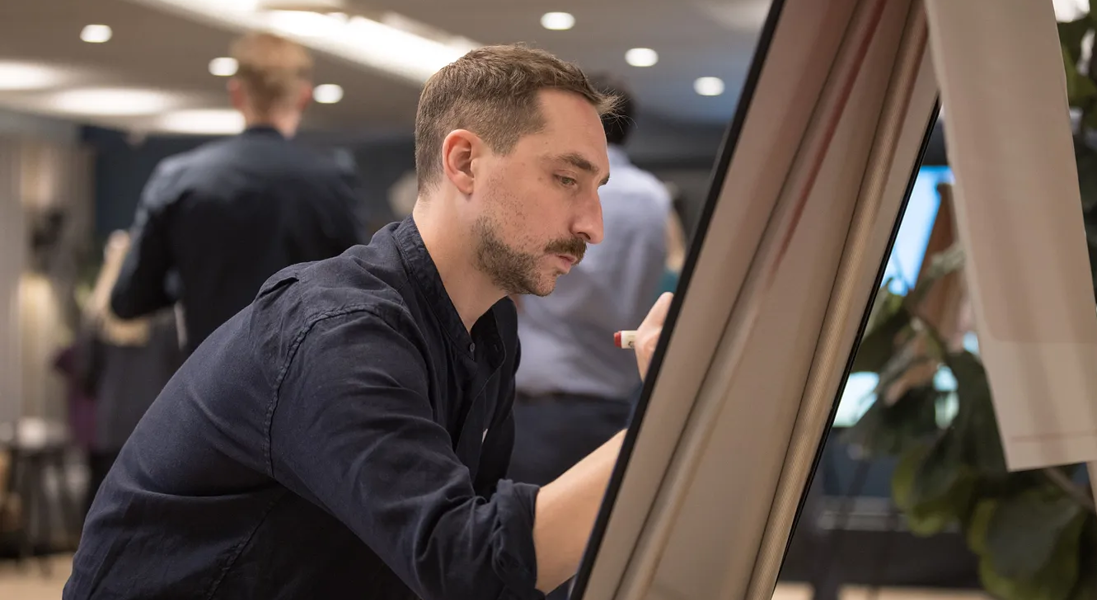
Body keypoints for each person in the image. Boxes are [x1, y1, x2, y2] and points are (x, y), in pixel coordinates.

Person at [65, 44, 672, 600]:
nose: (593, 226)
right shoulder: (340, 335)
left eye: (596, 189)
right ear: (464, 162)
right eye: (566, 179)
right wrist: (673, 412)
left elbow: (474, 548)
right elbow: (465, 564)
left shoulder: (490, 331)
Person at [110, 31, 365, 353]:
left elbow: (128, 301)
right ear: (304, 96)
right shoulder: (332, 178)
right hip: (306, 373)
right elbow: (356, 286)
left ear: (236, 93)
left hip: (210, 374)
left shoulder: (178, 179)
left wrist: (189, 282)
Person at [508, 74, 670, 493]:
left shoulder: (559, 186)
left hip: (546, 408)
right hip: (614, 401)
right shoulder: (654, 197)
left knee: (529, 528)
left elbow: (549, 282)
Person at [76, 231, 185, 515]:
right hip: (153, 425)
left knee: (104, 510)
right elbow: (180, 373)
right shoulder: (165, 316)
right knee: (151, 513)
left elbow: (85, 375)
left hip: (110, 425)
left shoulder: (96, 319)